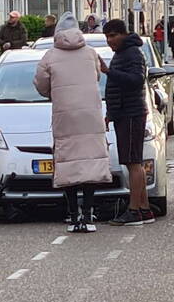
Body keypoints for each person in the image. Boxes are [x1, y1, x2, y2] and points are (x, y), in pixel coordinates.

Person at [33, 12, 110, 233]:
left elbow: (40, 84)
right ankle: (89, 214)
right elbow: (96, 77)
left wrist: (54, 93)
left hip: (64, 114)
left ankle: (73, 215)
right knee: (90, 162)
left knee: (67, 161)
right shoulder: (90, 53)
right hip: (90, 116)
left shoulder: (50, 56)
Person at [100, 19, 155, 226]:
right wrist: (111, 114)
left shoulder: (131, 53)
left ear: (123, 34)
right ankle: (144, 208)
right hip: (125, 113)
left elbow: (136, 80)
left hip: (131, 114)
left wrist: (108, 72)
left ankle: (133, 210)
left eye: (113, 36)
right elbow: (119, 89)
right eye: (107, 37)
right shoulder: (123, 53)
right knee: (133, 162)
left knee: (133, 162)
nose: (109, 41)